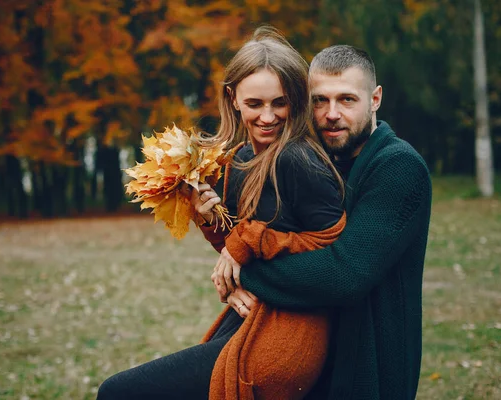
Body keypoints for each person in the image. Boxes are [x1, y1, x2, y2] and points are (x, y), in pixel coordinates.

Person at [97, 27, 345, 400]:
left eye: (280, 103)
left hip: (289, 338)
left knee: (119, 393)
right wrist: (214, 224)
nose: (267, 117)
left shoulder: (298, 158)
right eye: (254, 104)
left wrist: (246, 244)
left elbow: (335, 250)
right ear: (232, 98)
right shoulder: (243, 159)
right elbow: (237, 252)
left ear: (296, 98)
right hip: (253, 320)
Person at [213, 45, 433, 399]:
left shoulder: (398, 167)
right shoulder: (318, 158)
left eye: (347, 100)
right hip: (312, 349)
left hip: (368, 362)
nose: (331, 114)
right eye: (320, 101)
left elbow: (344, 274)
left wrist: (243, 272)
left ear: (375, 99)